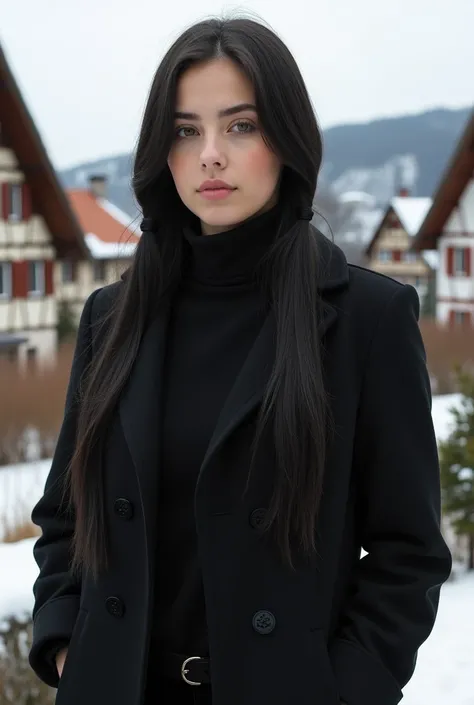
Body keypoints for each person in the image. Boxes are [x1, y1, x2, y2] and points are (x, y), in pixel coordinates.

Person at [28, 16, 452, 705]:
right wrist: (67, 645)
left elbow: (409, 555)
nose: (210, 155)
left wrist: (345, 689)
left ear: (286, 139)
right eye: (186, 130)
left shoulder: (368, 319)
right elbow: (66, 519)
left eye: (241, 126)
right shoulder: (113, 316)